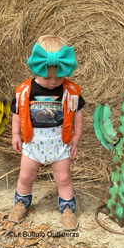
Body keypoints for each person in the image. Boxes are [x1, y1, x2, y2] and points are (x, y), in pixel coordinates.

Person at [8, 35, 85, 230]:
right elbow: (17, 114)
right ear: (36, 69)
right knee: (25, 176)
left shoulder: (70, 91)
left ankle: (67, 207)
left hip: (60, 142)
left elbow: (77, 114)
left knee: (64, 178)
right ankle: (21, 202)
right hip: (33, 142)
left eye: (59, 77)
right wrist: (15, 135)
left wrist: (76, 137)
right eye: (47, 77)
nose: (53, 82)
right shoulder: (24, 91)